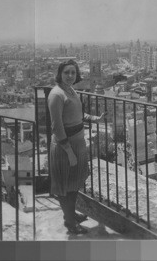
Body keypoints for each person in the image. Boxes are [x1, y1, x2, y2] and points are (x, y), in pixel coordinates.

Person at [48, 60, 106, 234]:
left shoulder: (71, 90)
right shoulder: (56, 94)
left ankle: (71, 215)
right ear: (60, 74)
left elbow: (79, 114)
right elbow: (57, 127)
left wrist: (95, 119)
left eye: (73, 72)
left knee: (73, 184)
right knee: (66, 187)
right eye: (66, 72)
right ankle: (70, 223)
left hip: (77, 143)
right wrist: (69, 152)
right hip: (66, 146)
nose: (70, 76)